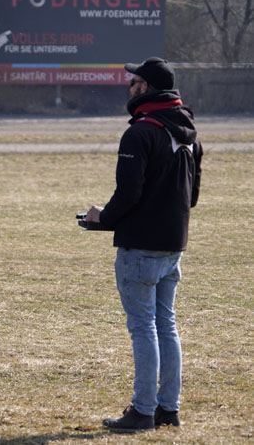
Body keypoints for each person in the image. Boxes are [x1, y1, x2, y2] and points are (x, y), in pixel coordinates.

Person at [83, 57, 203, 433]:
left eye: (134, 81)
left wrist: (102, 218)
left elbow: (129, 193)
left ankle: (142, 411)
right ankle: (168, 409)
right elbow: (191, 198)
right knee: (165, 326)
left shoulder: (140, 132)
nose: (129, 86)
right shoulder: (189, 135)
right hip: (173, 246)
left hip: (141, 249)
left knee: (144, 328)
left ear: (146, 88)